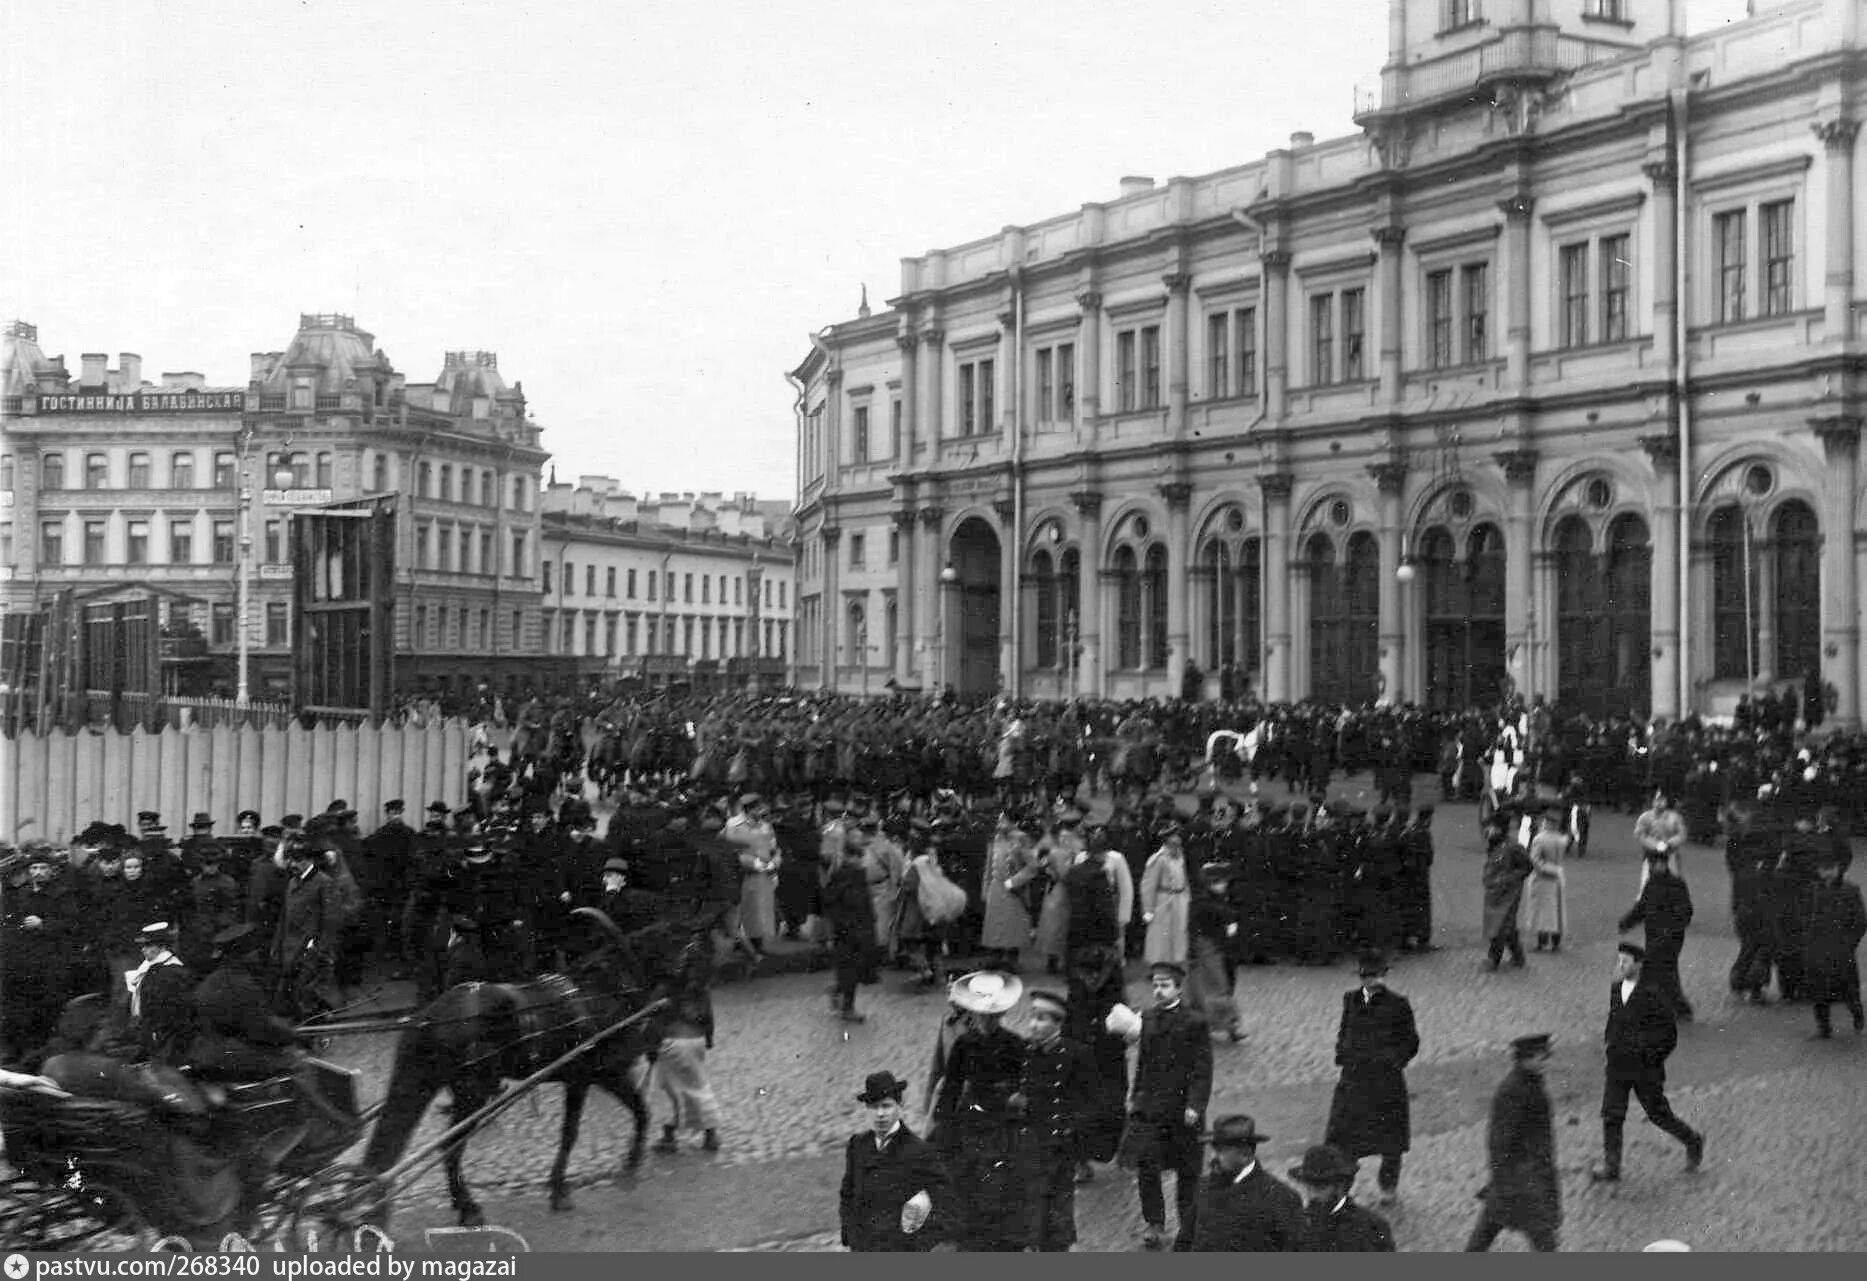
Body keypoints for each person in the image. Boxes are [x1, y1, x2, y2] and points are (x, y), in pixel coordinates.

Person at [1590, 942, 1704, 1185]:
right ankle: (1612, 1166)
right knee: (1612, 1113)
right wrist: (1609, 1041)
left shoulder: (1653, 994)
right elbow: (1614, 1018)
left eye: (1626, 961)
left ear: (1638, 965)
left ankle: (1692, 1139)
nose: (1620, 965)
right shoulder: (1616, 987)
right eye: (1618, 960)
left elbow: (1669, 1035)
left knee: (1658, 1113)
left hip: (1644, 1068)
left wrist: (1651, 1057)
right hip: (1618, 1064)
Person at [930, 971, 1029, 1251]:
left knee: (1001, 1172)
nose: (987, 1019)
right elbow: (952, 1083)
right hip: (972, 1112)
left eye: (994, 1014)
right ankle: (971, 1231)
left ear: (1003, 1013)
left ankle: (1002, 1233)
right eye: (983, 1014)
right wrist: (943, 1119)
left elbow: (1026, 1081)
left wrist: (1019, 1096)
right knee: (968, 1171)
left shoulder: (1014, 1043)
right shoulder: (964, 1043)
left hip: (1003, 1116)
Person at [1118, 960, 1212, 1250]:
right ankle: (1155, 1223)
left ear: (1178, 988)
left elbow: (1202, 1068)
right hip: (1152, 1109)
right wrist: (1136, 1099)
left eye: (1165, 985)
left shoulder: (1195, 1022)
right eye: (1155, 985)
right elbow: (1143, 1063)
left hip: (1184, 1110)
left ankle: (1189, 1223)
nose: (1159, 991)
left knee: (1188, 1170)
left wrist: (1195, 1104)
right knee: (1148, 1166)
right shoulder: (1147, 1017)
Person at [1323, 949, 1419, 1207]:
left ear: (1384, 975)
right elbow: (1344, 1030)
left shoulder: (1398, 1004)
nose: (1371, 981)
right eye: (1366, 976)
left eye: (1376, 976)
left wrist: (1394, 1061)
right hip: (1354, 1080)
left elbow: (1410, 1041)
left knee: (1390, 1141)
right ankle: (1342, 1187)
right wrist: (1342, 1053)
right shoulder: (1350, 1000)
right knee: (1345, 1139)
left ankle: (1388, 1187)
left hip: (1386, 1082)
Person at [1018, 989, 1098, 1252]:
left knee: (1058, 1208)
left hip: (1060, 1144)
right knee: (1032, 1204)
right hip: (1031, 1141)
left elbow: (1090, 1100)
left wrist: (1071, 1130)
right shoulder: (1027, 1053)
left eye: (1041, 1019)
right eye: (1032, 1017)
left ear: (1057, 1023)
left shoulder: (1077, 1054)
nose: (1033, 1025)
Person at [1465, 1033, 1560, 1252]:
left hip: (1519, 1180)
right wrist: (1505, 1179)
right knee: (1543, 1238)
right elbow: (1500, 1142)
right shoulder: (1514, 1091)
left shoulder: (1529, 1084)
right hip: (1522, 1181)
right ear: (1525, 1059)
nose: (1546, 1062)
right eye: (1541, 1057)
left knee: (1487, 1230)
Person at [839, 1070, 949, 1252]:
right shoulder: (858, 1146)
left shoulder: (919, 1151)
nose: (880, 1114)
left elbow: (945, 1203)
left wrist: (920, 1244)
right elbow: (847, 1194)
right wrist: (850, 1234)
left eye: (886, 1106)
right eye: (874, 1107)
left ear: (900, 1105)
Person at [1189, 1114, 1303, 1252]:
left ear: (1245, 1154)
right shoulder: (1203, 1186)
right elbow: (1185, 1241)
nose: (1213, 1157)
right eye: (1214, 1150)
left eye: (1221, 1151)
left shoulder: (1280, 1197)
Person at [1619, 848, 1696, 1022]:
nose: (1653, 867)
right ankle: (1677, 1008)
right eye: (1651, 864)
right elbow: (1641, 908)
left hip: (1670, 938)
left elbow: (1686, 911)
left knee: (1655, 971)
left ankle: (1645, 1008)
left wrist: (1674, 929)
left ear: (1663, 864)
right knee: (1665, 972)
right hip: (1654, 936)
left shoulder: (1677, 884)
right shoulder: (1651, 884)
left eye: (1656, 864)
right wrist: (1626, 922)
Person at [1801, 850, 1866, 1038]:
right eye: (1824, 870)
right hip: (1817, 949)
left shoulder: (1851, 890)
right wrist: (1807, 940)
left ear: (1838, 870)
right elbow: (1804, 917)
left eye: (1831, 870)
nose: (1828, 874)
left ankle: (1857, 1016)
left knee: (1848, 989)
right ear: (1819, 871)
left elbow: (1860, 921)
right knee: (1818, 990)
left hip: (1841, 950)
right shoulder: (1812, 890)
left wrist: (1849, 944)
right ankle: (1823, 1027)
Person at [1287, 1143, 1394, 1251]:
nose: (1312, 1194)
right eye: (1309, 1187)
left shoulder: (1373, 1227)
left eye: (1321, 1187)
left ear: (1339, 1186)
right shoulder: (1296, 1227)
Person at [821, 835, 878, 1024]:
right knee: (849, 970)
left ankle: (839, 992)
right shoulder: (842, 876)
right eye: (853, 856)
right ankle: (848, 1008)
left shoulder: (857, 875)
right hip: (846, 932)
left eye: (859, 856)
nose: (857, 860)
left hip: (858, 930)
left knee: (854, 970)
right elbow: (830, 905)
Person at [1480, 814, 1534, 970]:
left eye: (1493, 828)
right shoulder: (1493, 844)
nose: (1489, 830)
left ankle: (1493, 958)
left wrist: (1510, 878)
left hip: (1509, 893)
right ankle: (1518, 956)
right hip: (1495, 891)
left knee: (1502, 923)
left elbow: (1527, 866)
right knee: (1506, 924)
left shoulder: (1514, 847)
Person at [1522, 805, 1569, 952]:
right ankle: (1556, 942)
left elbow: (1535, 860)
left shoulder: (1539, 839)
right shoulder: (1561, 840)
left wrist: (1544, 869)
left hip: (1543, 879)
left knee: (1542, 911)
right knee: (1557, 910)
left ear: (1546, 822)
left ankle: (1542, 942)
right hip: (1558, 878)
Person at [1635, 789, 1687, 885]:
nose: (1659, 803)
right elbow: (1640, 834)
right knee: (1647, 882)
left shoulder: (1675, 818)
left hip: (1671, 854)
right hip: (1651, 855)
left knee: (1673, 881)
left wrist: (1670, 842)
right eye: (1657, 800)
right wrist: (1654, 844)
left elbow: (1682, 834)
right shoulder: (1645, 817)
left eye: (1662, 800)